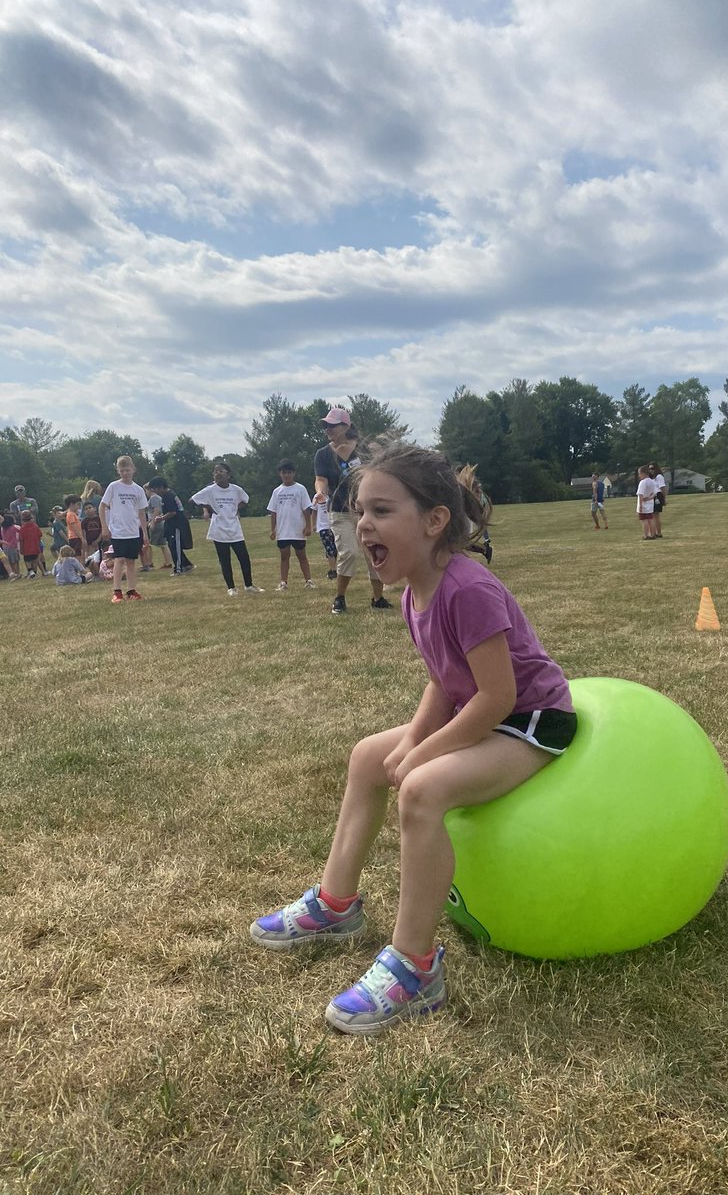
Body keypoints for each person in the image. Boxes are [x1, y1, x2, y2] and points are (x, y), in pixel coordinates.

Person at [250, 443, 578, 1035]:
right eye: (358, 512)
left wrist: (423, 754)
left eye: (380, 510)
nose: (363, 524)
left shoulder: (467, 588)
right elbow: (443, 681)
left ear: (434, 522)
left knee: (421, 790)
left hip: (532, 721)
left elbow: (496, 696)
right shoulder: (412, 593)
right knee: (368, 756)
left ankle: (415, 967)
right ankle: (336, 903)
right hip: (486, 711)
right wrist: (409, 743)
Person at [313, 407, 391, 615]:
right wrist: (320, 492)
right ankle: (339, 598)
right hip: (338, 510)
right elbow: (321, 479)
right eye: (325, 426)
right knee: (348, 552)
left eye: (332, 425)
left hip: (365, 510)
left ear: (346, 426)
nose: (327, 429)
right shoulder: (323, 454)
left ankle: (378, 598)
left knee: (373, 552)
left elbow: (380, 471)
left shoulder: (365, 450)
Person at [191, 462, 263, 596]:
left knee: (244, 558)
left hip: (235, 528)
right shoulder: (210, 490)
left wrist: (235, 507)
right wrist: (210, 508)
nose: (218, 474)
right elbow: (193, 500)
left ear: (228, 475)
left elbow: (246, 500)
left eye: (221, 471)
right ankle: (231, 588)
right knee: (224, 559)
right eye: (215, 472)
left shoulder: (236, 489)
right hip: (219, 529)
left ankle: (249, 585)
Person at [98, 455, 150, 603]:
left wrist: (145, 533)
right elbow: (102, 506)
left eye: (127, 470)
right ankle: (117, 591)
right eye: (122, 471)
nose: (125, 473)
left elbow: (141, 512)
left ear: (133, 470)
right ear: (118, 471)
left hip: (133, 531)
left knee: (131, 561)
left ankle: (132, 590)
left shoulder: (138, 490)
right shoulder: (113, 487)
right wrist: (104, 527)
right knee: (119, 560)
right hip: (118, 531)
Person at [267, 460, 315, 591]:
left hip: (298, 530)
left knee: (301, 556)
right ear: (280, 474)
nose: (287, 475)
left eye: (289, 472)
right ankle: (283, 582)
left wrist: (308, 526)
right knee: (284, 556)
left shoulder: (300, 489)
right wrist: (273, 529)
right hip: (283, 531)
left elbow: (306, 508)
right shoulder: (277, 491)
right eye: (284, 473)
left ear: (293, 473)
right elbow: (273, 511)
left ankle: (309, 581)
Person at [146, 477, 194, 576]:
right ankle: (186, 564)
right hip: (171, 524)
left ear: (161, 487)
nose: (155, 492)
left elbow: (173, 512)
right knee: (172, 545)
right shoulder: (166, 495)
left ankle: (179, 568)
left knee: (175, 546)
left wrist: (161, 518)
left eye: (155, 489)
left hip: (177, 524)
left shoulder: (169, 496)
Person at [144, 484, 173, 571]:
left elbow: (157, 510)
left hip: (157, 524)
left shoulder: (154, 498)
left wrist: (152, 523)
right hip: (158, 523)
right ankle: (166, 562)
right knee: (161, 544)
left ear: (149, 490)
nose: (146, 493)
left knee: (158, 544)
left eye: (146, 491)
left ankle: (164, 563)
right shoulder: (158, 498)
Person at [314, 497, 338, 580]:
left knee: (335, 549)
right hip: (323, 527)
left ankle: (335, 568)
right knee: (329, 549)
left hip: (334, 525)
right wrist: (314, 525)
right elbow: (314, 510)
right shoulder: (317, 497)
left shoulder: (333, 495)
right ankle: (333, 570)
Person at [18, 512, 43, 577]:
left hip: (26, 547)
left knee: (27, 560)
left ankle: (30, 571)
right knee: (35, 560)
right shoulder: (35, 526)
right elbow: (40, 535)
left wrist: (21, 548)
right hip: (35, 546)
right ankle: (34, 572)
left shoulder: (22, 528)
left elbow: (21, 539)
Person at [636, 465, 657, 541]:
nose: (639, 476)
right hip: (650, 504)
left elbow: (640, 494)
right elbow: (655, 493)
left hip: (643, 504)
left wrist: (641, 505)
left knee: (644, 520)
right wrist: (649, 498)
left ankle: (645, 535)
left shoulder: (642, 482)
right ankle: (653, 534)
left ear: (644, 473)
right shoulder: (652, 482)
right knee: (650, 519)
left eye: (640, 474)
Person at [648, 462, 667, 539]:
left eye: (652, 468)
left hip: (658, 496)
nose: (651, 470)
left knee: (656, 515)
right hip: (652, 495)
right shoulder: (651, 478)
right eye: (649, 469)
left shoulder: (659, 477)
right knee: (652, 515)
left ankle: (658, 533)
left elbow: (663, 488)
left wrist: (664, 499)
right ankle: (654, 532)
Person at [1, 514, 21, 578]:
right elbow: (20, 530)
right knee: (15, 561)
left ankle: (14, 573)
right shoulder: (13, 528)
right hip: (12, 546)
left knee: (10, 561)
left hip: (5, 547)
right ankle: (17, 573)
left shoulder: (2, 529)